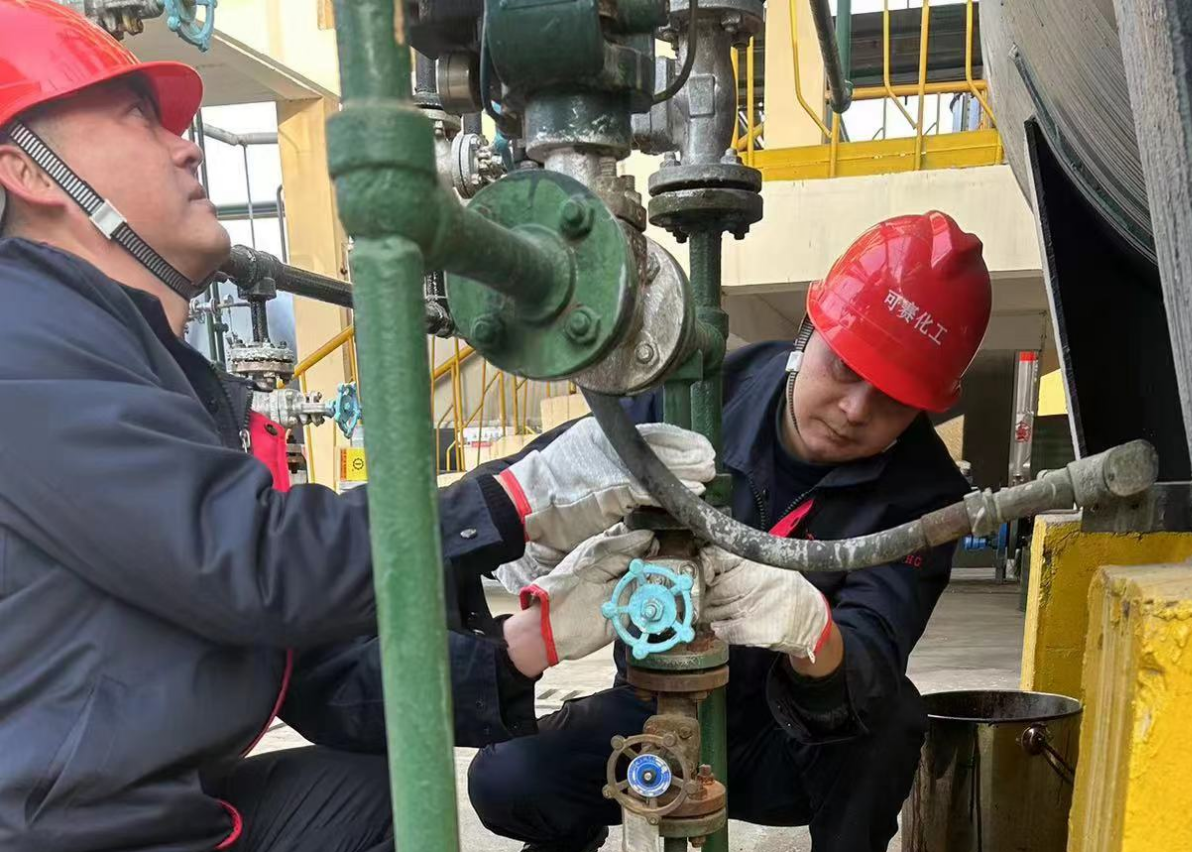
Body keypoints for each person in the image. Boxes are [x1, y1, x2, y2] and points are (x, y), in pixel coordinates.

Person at [0, 3, 713, 851]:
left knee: (374, 793)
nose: (185, 145)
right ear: (30, 170)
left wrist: (530, 641)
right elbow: (258, 567)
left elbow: (296, 659)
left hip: (121, 799)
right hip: (64, 833)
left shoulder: (111, 348)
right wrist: (516, 497)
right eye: (136, 119)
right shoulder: (22, 342)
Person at [467, 209, 993, 852]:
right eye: (846, 367)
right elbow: (538, 482)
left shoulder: (926, 495)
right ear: (810, 329)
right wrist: (517, 539)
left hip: (791, 737)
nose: (856, 409)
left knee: (892, 723)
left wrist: (811, 634)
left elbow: (872, 659)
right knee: (505, 778)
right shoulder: (699, 393)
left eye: (892, 397)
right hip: (658, 704)